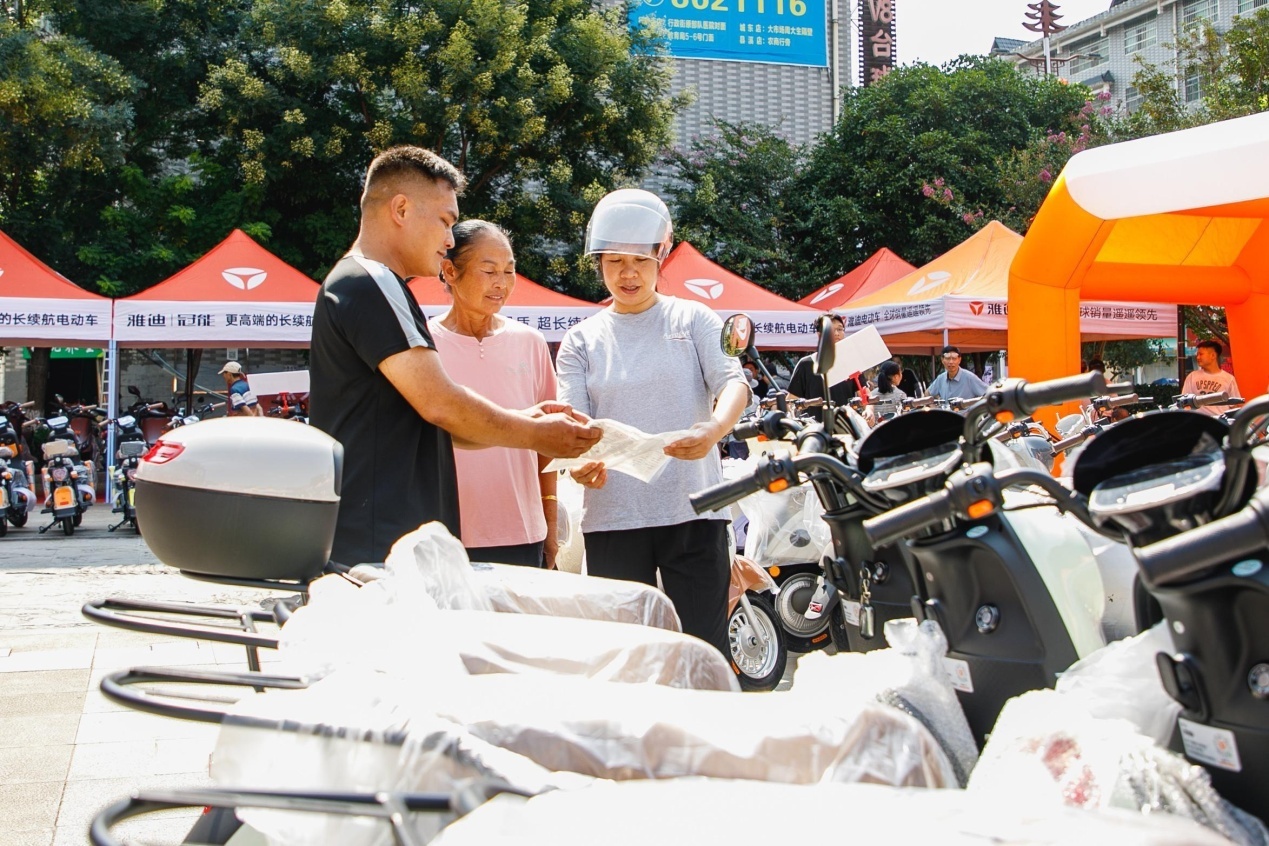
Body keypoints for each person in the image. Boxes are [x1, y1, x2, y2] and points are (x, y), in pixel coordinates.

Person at [309, 146, 601, 565]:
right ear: (402, 209)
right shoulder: (370, 280)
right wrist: (534, 433)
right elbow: (442, 403)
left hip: (391, 540)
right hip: (378, 542)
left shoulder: (374, 283)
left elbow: (441, 422)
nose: (449, 240)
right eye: (445, 221)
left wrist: (528, 423)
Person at [556, 188, 749, 657]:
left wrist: (714, 430)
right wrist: (578, 465)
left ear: (661, 256)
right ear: (598, 262)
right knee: (626, 655)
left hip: (694, 512)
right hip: (613, 518)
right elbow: (574, 426)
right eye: (614, 260)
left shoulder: (695, 318)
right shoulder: (579, 341)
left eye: (640, 260)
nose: (627, 273)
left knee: (705, 649)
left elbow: (733, 383)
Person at [429, 220, 559, 568]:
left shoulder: (530, 343)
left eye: (509, 271)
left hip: (522, 532)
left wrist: (550, 522)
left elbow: (547, 445)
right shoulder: (421, 346)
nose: (501, 283)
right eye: (489, 271)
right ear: (449, 271)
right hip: (440, 534)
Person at [786, 314, 856, 405]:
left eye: (839, 329)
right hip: (815, 419)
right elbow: (790, 400)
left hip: (846, 418)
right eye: (830, 330)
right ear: (819, 335)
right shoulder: (806, 364)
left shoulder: (852, 361)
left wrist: (868, 410)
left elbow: (864, 393)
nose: (836, 334)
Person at [1182, 339, 1241, 417]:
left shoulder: (1229, 379)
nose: (1198, 357)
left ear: (1213, 355)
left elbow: (1236, 405)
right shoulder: (1192, 377)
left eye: (1201, 354)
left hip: (1220, 423)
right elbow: (1185, 403)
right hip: (1198, 422)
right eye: (1197, 355)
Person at [867, 360, 908, 425]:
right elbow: (905, 419)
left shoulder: (872, 395)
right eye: (900, 372)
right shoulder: (900, 395)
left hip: (875, 433)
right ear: (896, 377)